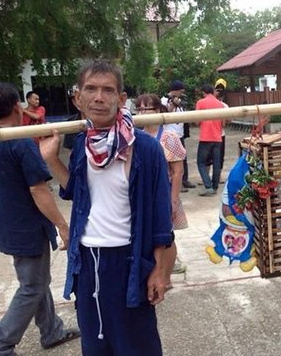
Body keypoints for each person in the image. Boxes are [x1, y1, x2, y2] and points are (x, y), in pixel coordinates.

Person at [39, 60, 172, 356]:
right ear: (78, 98)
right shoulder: (82, 146)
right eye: (91, 89)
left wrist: (161, 271)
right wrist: (51, 160)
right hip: (86, 260)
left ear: (121, 99)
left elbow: (162, 217)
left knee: (137, 345)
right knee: (96, 344)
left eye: (108, 90)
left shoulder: (145, 149)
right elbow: (76, 190)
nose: (99, 97)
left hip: (128, 259)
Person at [0, 82, 80, 356]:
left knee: (36, 280)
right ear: (16, 107)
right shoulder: (20, 141)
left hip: (10, 225)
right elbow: (38, 189)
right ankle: (3, 341)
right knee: (32, 285)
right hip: (26, 227)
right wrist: (62, 224)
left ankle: (52, 330)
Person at [136, 93, 188, 278]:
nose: (142, 113)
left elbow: (177, 171)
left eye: (146, 109)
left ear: (157, 111)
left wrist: (173, 200)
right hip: (143, 194)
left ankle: (167, 275)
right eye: (139, 109)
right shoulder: (136, 137)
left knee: (166, 235)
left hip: (164, 193)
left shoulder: (169, 137)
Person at [161, 80, 195, 192]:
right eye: (180, 91)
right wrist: (173, 104)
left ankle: (184, 180)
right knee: (172, 160)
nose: (182, 93)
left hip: (180, 134)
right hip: (169, 134)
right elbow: (165, 114)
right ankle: (175, 183)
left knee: (183, 158)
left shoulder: (181, 100)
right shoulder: (164, 100)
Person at [195, 84, 225, 196]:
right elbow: (223, 122)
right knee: (217, 163)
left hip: (205, 137)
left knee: (201, 162)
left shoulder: (201, 102)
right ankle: (215, 186)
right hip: (217, 137)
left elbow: (197, 121)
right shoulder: (220, 104)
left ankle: (208, 185)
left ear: (204, 92)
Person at [62, 85, 83, 152]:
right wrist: (51, 157)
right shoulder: (71, 123)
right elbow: (72, 155)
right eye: (77, 98)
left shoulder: (112, 123)